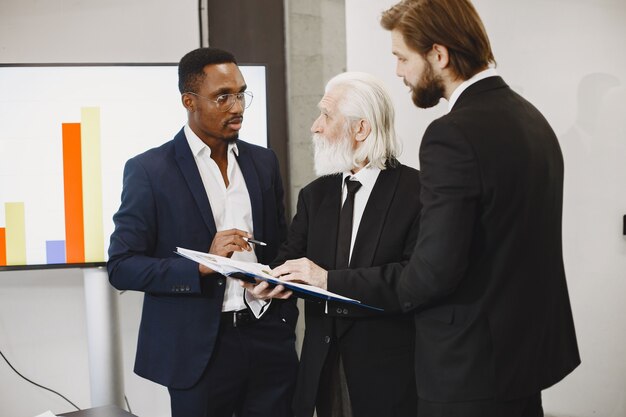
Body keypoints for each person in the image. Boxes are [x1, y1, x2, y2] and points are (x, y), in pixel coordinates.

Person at [379, 1, 581, 416]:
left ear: (439, 55)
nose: (398, 72)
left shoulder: (451, 135)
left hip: (468, 371)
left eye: (401, 57)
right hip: (523, 362)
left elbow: (434, 271)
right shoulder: (532, 119)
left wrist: (342, 283)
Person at [107, 47, 298, 417]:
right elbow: (122, 266)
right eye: (223, 96)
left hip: (268, 338)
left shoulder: (264, 161)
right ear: (189, 101)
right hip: (199, 351)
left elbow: (279, 246)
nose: (237, 106)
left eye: (242, 93)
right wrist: (200, 267)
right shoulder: (150, 171)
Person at [246, 72, 421, 417]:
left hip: (390, 376)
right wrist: (260, 280)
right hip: (322, 369)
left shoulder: (417, 192)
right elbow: (289, 260)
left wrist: (326, 280)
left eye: (326, 115)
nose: (315, 127)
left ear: (361, 129)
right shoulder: (315, 195)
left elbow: (411, 279)